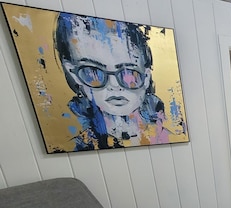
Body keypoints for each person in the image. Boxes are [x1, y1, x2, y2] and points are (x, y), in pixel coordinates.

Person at [55, 13, 180, 150]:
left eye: (128, 74)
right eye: (94, 72)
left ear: (146, 78)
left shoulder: (168, 137)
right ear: (74, 74)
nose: (114, 85)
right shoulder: (78, 146)